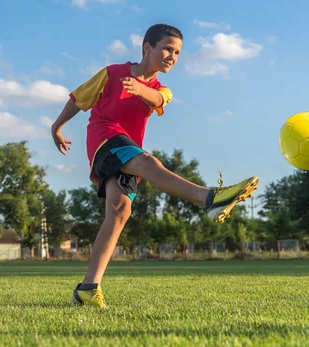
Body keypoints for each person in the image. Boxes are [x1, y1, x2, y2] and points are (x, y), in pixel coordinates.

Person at [50, 24, 258, 309]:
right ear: (147, 47)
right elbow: (79, 99)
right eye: (167, 48)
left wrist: (140, 89)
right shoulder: (112, 73)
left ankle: (88, 287)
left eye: (177, 52)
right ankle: (208, 198)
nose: (172, 56)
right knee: (148, 162)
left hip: (127, 149)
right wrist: (57, 126)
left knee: (120, 212)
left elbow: (159, 100)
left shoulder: (161, 89)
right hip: (105, 139)